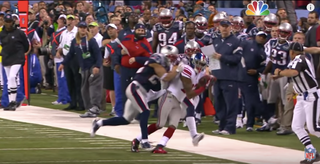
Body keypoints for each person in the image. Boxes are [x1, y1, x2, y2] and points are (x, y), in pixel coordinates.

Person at [90, 52, 185, 150]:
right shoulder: (154, 64)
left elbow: (162, 82)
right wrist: (177, 70)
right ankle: (144, 141)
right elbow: (167, 77)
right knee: (145, 111)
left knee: (126, 119)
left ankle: (99, 123)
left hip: (139, 91)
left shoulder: (151, 67)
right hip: (136, 88)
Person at [131, 46, 207, 153]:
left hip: (178, 100)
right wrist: (204, 87)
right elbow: (190, 93)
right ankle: (137, 140)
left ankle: (160, 146)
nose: (200, 66)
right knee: (160, 124)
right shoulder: (187, 69)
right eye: (199, 63)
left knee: (173, 125)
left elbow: (194, 89)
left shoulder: (197, 74)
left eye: (203, 64)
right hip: (169, 96)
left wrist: (203, 84)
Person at [272, 42, 320, 164]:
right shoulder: (303, 56)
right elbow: (299, 77)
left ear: (291, 52)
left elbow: (294, 73)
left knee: (313, 128)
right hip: (301, 96)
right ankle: (312, 152)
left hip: (311, 95)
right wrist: (294, 91)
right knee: (297, 126)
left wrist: (280, 73)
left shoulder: (300, 58)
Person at [58, 21, 103, 118]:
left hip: (93, 66)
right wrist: (63, 63)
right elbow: (70, 54)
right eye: (81, 27)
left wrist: (97, 66)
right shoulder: (75, 41)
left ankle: (95, 107)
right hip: (84, 68)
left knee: (94, 88)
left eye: (84, 27)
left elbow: (98, 54)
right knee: (84, 89)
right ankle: (89, 108)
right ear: (78, 28)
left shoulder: (91, 40)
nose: (83, 29)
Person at [211, 20, 243, 135]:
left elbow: (237, 59)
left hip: (230, 76)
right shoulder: (216, 41)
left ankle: (230, 128)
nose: (224, 29)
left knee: (230, 103)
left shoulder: (236, 41)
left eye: (226, 26)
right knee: (219, 103)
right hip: (217, 76)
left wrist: (222, 57)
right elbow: (212, 58)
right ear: (219, 28)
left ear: (230, 28)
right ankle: (222, 126)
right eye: (222, 26)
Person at [238, 31, 267, 131]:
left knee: (251, 101)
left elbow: (263, 67)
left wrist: (256, 71)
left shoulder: (262, 51)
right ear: (256, 36)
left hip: (251, 77)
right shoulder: (246, 43)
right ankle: (241, 120)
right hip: (240, 74)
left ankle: (252, 122)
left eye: (263, 37)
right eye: (260, 36)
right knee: (242, 100)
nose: (261, 38)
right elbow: (238, 54)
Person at [0, 14, 29, 110]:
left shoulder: (19, 33)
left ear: (13, 22)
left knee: (12, 77)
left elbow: (26, 45)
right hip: (6, 58)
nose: (8, 24)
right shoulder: (2, 33)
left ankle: (13, 101)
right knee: (9, 80)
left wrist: (21, 54)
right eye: (6, 22)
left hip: (17, 58)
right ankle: (10, 101)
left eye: (10, 22)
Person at [56, 15, 84, 111]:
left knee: (77, 81)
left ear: (75, 21)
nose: (70, 22)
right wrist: (59, 51)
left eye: (72, 20)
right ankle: (72, 103)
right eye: (69, 20)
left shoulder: (77, 31)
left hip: (75, 58)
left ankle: (81, 103)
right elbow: (61, 45)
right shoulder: (64, 33)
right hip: (67, 58)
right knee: (70, 81)